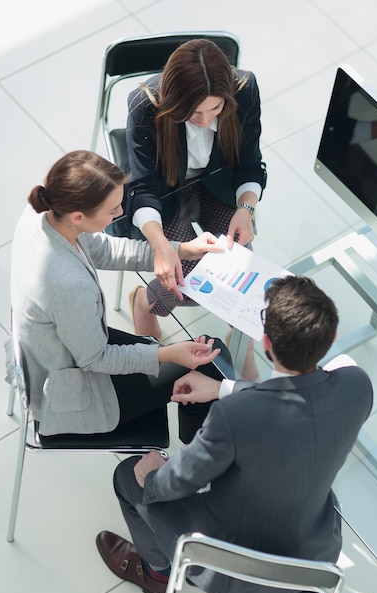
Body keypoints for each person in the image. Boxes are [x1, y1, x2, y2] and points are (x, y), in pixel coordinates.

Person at [96, 275, 373, 593]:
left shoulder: (236, 416)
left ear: (266, 342)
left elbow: (178, 481)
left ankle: (157, 573)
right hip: (309, 564)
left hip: (228, 567)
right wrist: (220, 388)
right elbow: (299, 398)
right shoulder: (358, 388)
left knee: (128, 476)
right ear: (333, 338)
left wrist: (152, 475)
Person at [9, 150, 227, 438]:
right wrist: (167, 353)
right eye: (112, 210)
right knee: (214, 362)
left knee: (184, 354)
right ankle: (198, 466)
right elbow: (96, 360)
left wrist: (181, 249)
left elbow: (108, 250)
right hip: (75, 388)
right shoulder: (69, 285)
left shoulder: (43, 215)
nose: (120, 213)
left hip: (58, 350)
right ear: (78, 216)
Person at [123, 38, 266, 381]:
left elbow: (250, 163)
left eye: (215, 110)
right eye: (193, 113)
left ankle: (238, 338)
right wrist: (160, 244)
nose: (204, 122)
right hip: (164, 189)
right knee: (176, 281)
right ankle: (145, 302)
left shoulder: (245, 89)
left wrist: (246, 209)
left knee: (238, 279)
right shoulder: (144, 105)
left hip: (219, 183)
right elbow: (141, 187)